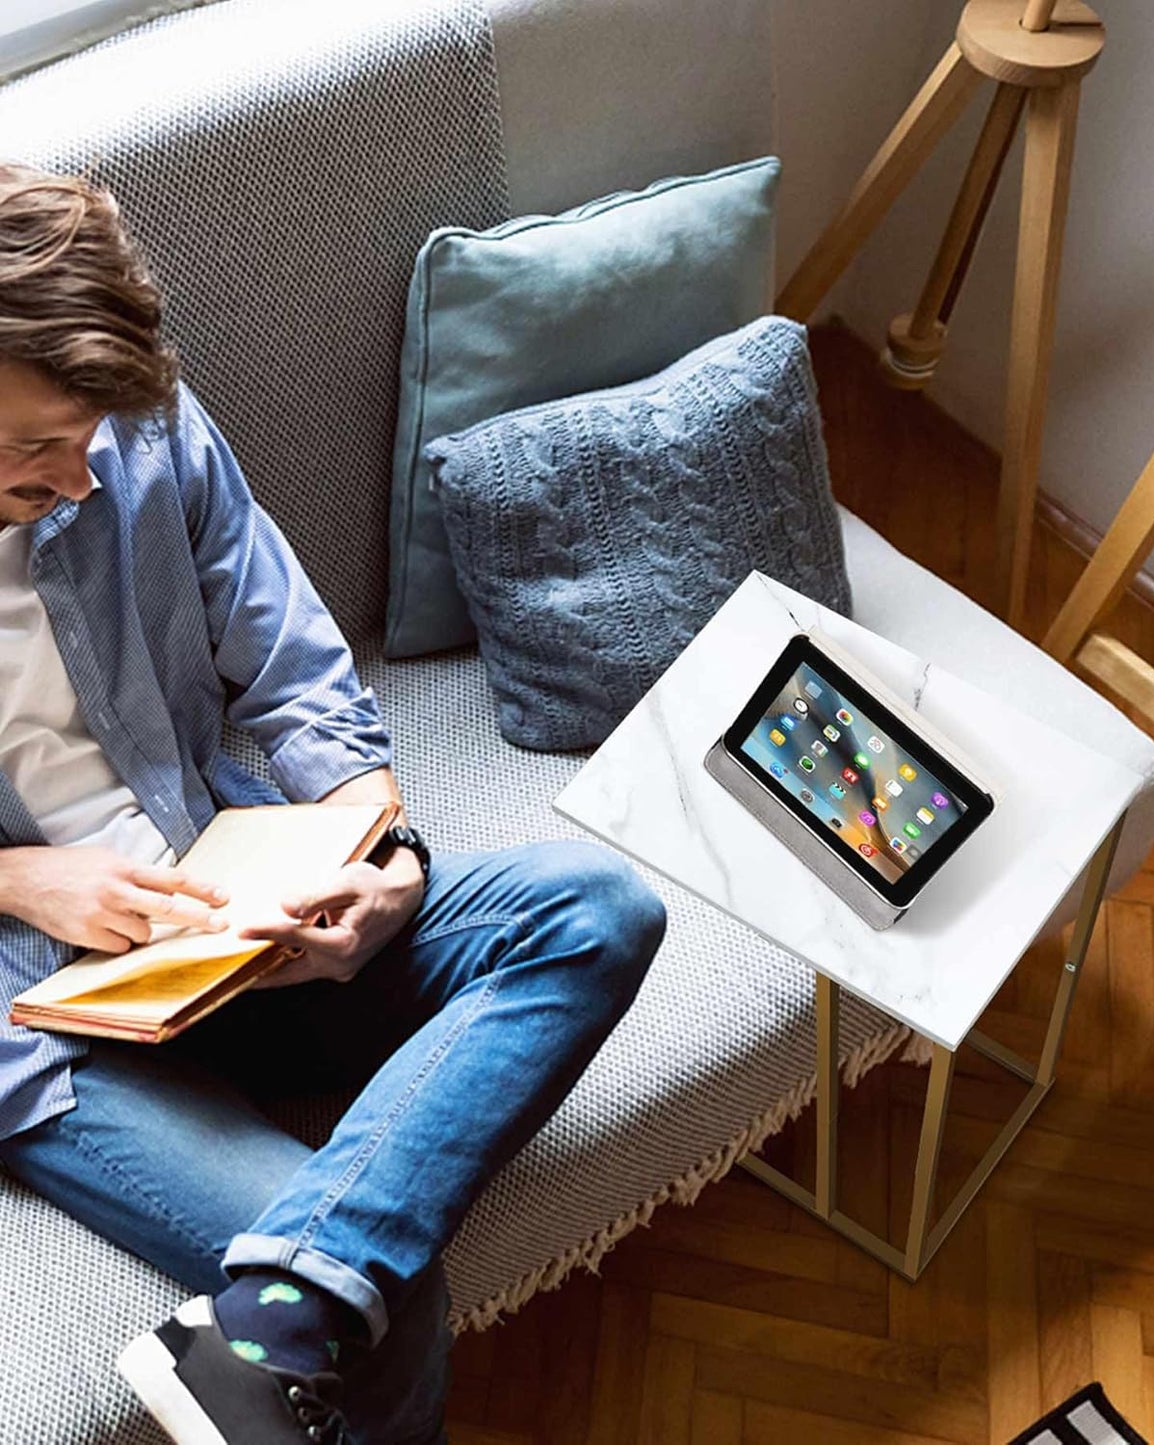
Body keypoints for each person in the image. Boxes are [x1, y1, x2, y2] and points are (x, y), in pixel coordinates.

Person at [0, 161, 667, 1445]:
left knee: (591, 905)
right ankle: (305, 1304)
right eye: (35, 447)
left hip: (234, 923)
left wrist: (382, 853)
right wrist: (25, 880)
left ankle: (281, 1311)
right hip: (45, 1024)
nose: (79, 480)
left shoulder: (140, 426)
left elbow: (299, 669)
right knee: (382, 1303)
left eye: (89, 441)